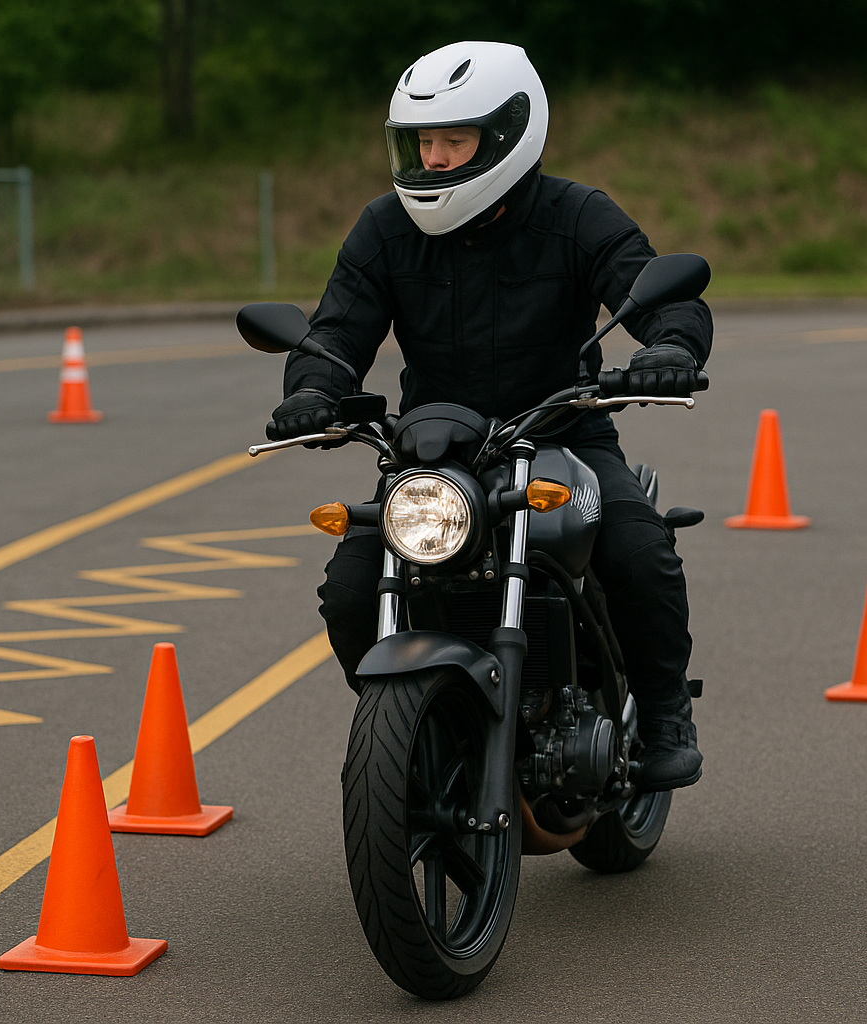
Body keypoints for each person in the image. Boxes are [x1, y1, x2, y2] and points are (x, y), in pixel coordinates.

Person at [265, 41, 711, 792]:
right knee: (349, 589)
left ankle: (665, 710)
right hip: (435, 454)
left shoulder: (576, 216)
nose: (434, 159)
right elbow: (338, 331)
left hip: (562, 433)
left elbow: (658, 291)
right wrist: (312, 389)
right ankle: (418, 732)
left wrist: (668, 345)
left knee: (639, 549)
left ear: (507, 136)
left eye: (453, 140)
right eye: (421, 142)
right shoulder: (384, 228)